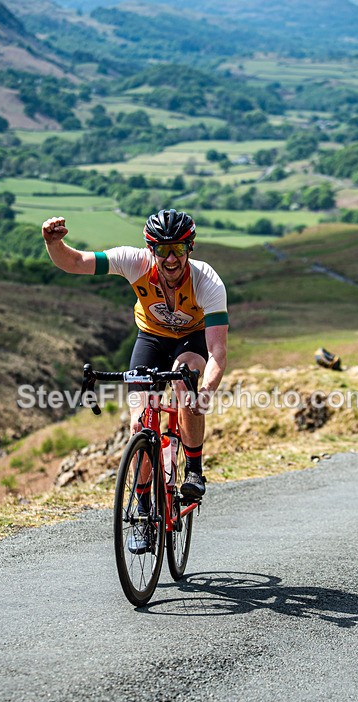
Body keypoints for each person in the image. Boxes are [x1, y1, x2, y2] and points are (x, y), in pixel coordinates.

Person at [42, 208, 228, 502]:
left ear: (189, 248)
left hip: (190, 340)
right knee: (139, 424)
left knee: (184, 386)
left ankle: (194, 471)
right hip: (151, 339)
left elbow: (217, 351)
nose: (170, 259)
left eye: (177, 249)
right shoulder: (134, 262)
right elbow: (76, 262)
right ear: (150, 249)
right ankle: (142, 506)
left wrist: (206, 390)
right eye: (163, 249)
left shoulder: (207, 282)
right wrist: (54, 244)